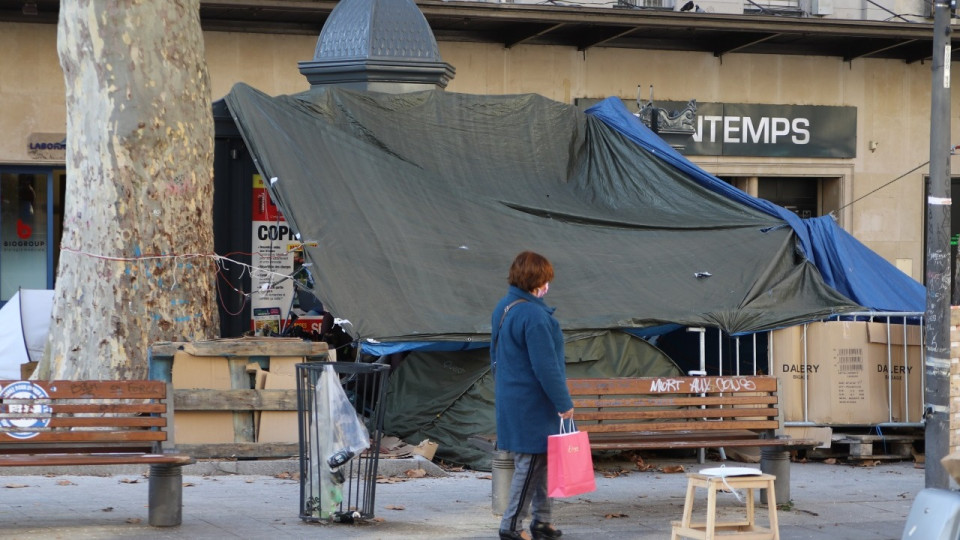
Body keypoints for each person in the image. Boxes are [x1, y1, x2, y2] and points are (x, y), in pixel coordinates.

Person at [491, 251, 574, 540]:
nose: (548, 285)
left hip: (513, 398)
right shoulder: (535, 316)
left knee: (541, 461)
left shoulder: (504, 307)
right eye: (546, 279)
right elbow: (546, 366)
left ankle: (542, 521)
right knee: (530, 464)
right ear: (538, 281)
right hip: (533, 403)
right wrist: (564, 403)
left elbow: (495, 357)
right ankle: (511, 526)